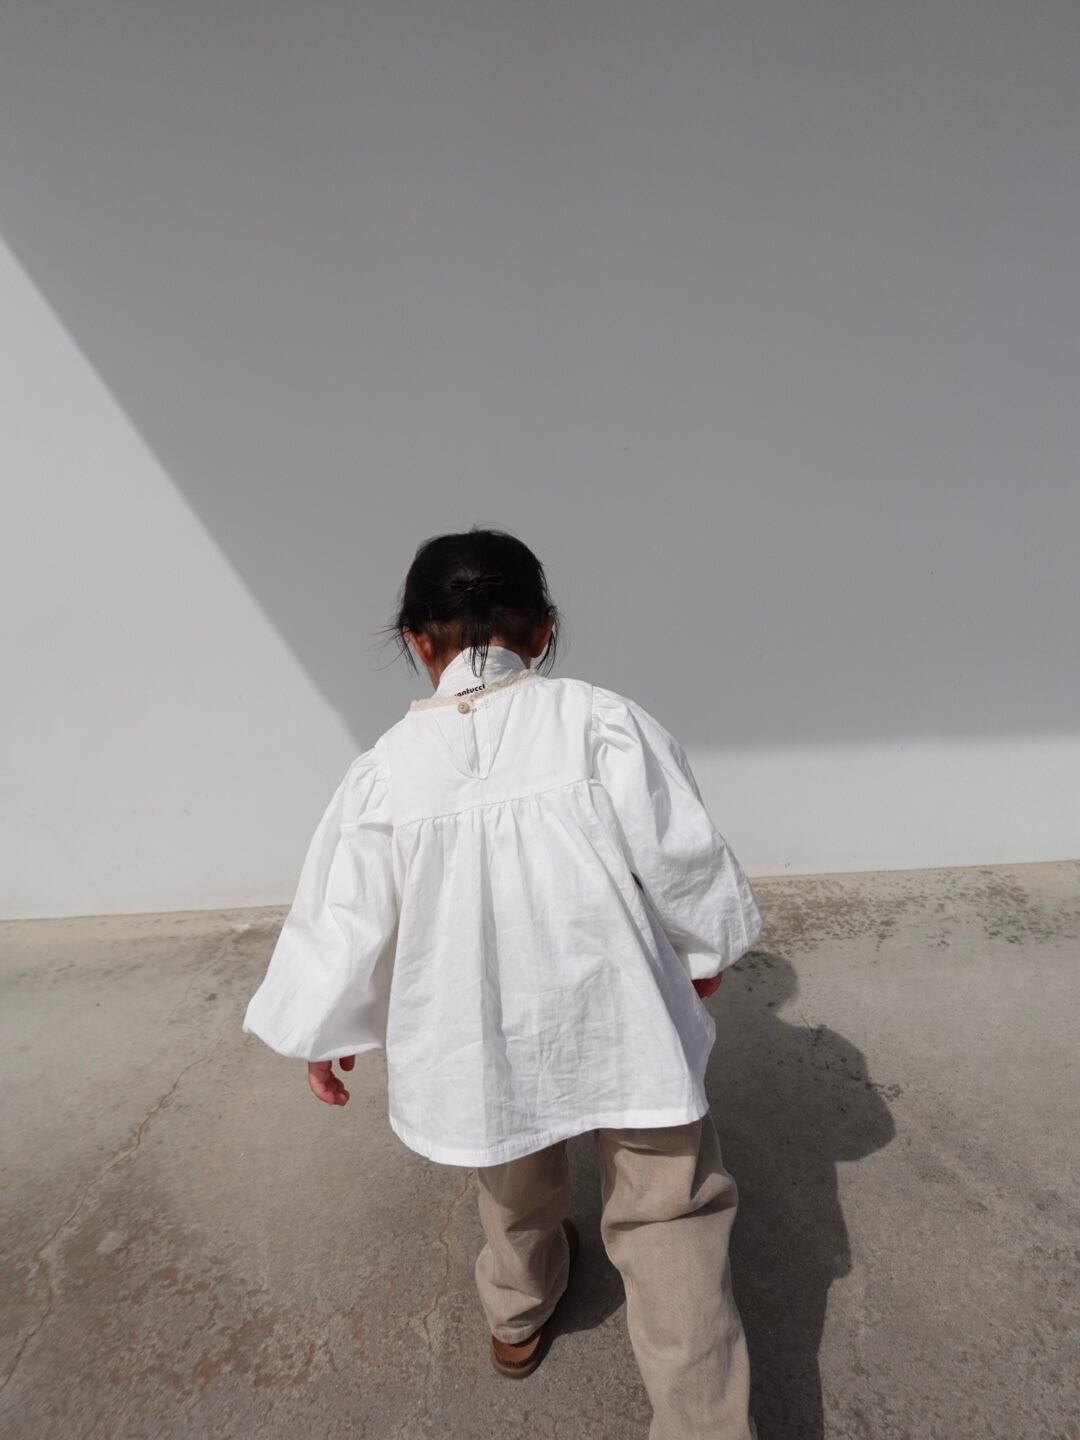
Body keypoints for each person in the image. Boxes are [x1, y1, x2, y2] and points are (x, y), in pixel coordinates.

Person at [243, 525, 763, 1440]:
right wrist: (701, 950)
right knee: (668, 1216)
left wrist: (324, 1029)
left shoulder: (384, 773)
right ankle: (701, 1424)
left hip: (474, 1028)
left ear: (417, 641)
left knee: (511, 1173)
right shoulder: (600, 723)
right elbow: (678, 854)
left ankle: (519, 1315)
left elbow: (345, 915)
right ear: (544, 629)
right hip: (619, 1013)